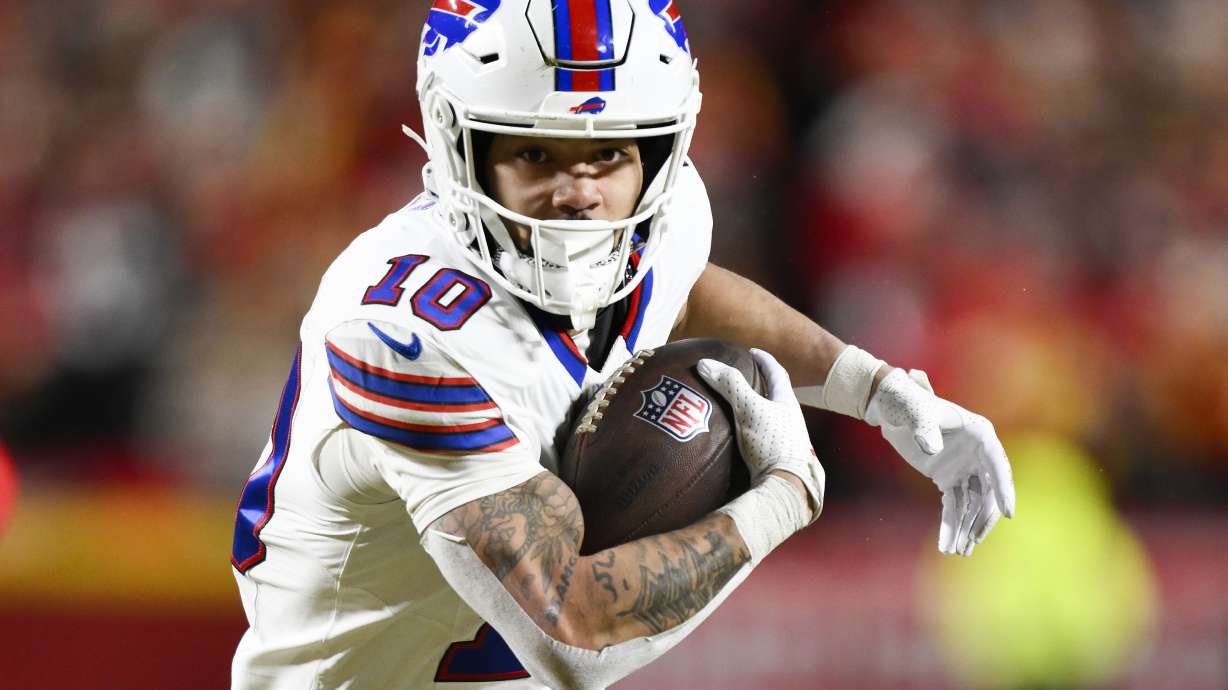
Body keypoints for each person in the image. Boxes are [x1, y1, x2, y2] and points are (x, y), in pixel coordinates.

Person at [230, 2, 1016, 688]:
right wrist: (784, 493)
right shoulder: (407, 338)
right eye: (534, 152)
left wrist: (876, 390)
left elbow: (682, 288)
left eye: (607, 152)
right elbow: (572, 640)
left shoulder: (655, 220)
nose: (579, 194)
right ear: (458, 147)